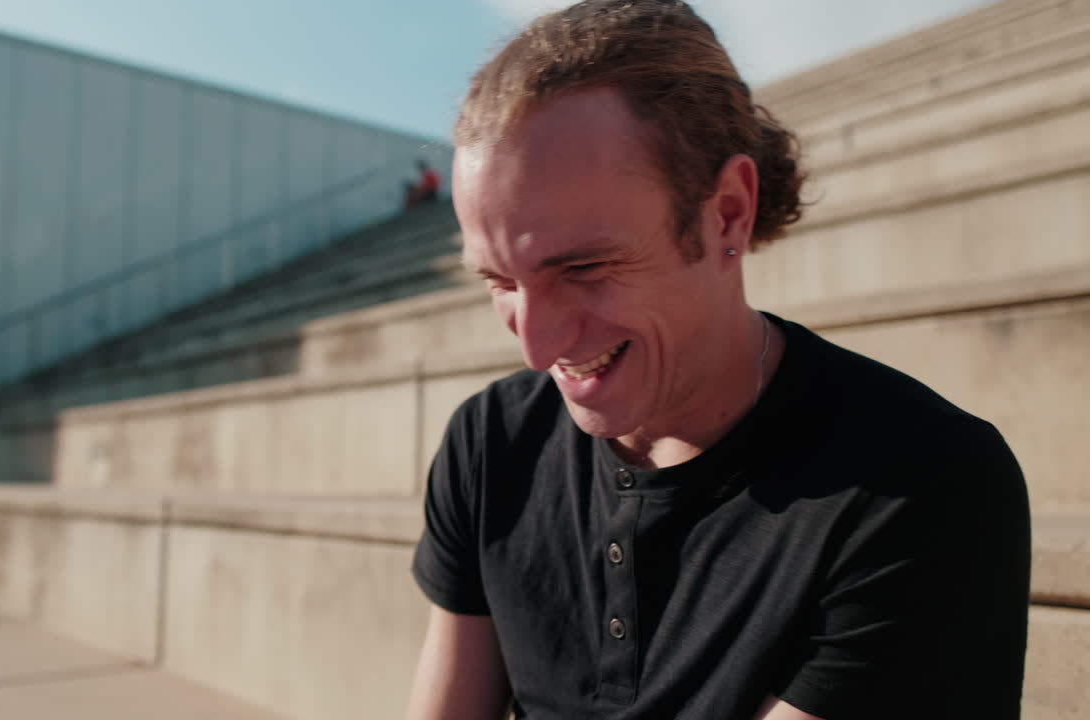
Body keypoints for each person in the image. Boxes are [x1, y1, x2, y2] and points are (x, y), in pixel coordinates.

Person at [406, 2, 1030, 719]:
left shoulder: (920, 485)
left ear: (728, 212)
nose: (536, 347)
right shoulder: (491, 442)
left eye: (584, 268)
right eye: (500, 282)